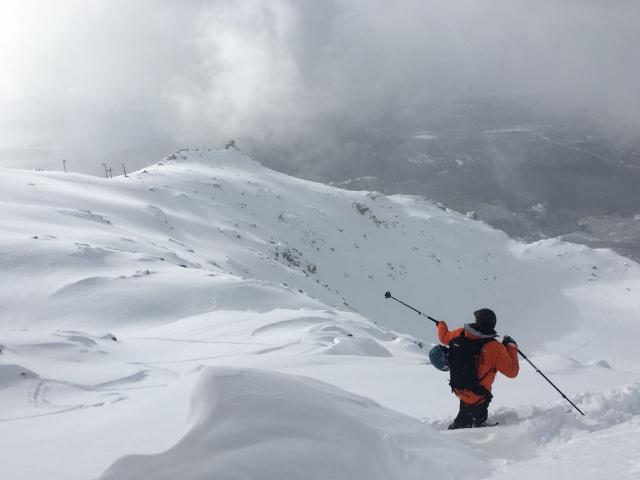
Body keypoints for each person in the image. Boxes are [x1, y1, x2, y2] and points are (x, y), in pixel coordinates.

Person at [437, 308, 519, 429]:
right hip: (478, 394)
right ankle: (476, 427)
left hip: (459, 387)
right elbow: (512, 372)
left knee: (465, 410)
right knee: (476, 413)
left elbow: (443, 338)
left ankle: (460, 424)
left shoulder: (461, 333)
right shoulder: (496, 348)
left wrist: (441, 325)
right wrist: (511, 347)